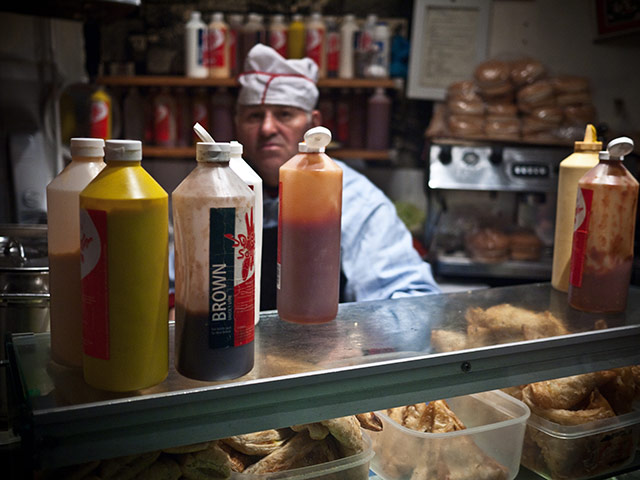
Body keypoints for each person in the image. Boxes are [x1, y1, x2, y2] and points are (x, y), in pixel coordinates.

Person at [234, 44, 439, 311]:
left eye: (285, 114)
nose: (267, 128)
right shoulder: (220, 194)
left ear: (312, 124)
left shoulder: (356, 201)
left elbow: (414, 303)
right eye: (254, 116)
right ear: (237, 123)